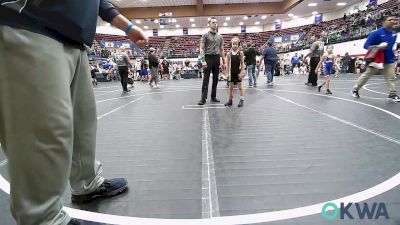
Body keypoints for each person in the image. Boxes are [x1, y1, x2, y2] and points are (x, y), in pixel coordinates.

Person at [0, 1, 148, 225]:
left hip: (75, 38)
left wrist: (126, 27)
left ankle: (87, 184)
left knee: (83, 123)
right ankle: (43, 219)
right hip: (28, 22)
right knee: (42, 130)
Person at [351, 14, 400, 102]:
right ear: (383, 22)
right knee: (367, 75)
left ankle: (392, 94)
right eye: (390, 19)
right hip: (377, 60)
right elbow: (366, 46)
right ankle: (355, 89)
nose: (393, 21)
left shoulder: (394, 33)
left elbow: (392, 46)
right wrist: (378, 47)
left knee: (391, 77)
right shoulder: (376, 33)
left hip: (389, 59)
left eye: (394, 19)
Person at [198, 17, 226, 105]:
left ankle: (213, 97)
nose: (215, 24)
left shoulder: (220, 37)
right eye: (213, 22)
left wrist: (224, 62)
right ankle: (203, 98)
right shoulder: (205, 35)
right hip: (208, 57)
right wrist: (203, 60)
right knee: (206, 79)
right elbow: (201, 49)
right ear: (209, 24)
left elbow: (222, 50)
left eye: (216, 22)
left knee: (215, 79)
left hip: (217, 58)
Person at [224, 37, 246, 107]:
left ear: (238, 44)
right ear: (231, 44)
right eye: (233, 44)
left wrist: (242, 71)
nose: (235, 45)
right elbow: (227, 65)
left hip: (238, 72)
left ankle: (241, 100)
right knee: (231, 88)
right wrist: (227, 73)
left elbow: (242, 63)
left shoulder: (241, 53)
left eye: (236, 44)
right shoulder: (228, 54)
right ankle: (230, 100)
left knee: (240, 87)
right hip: (231, 73)